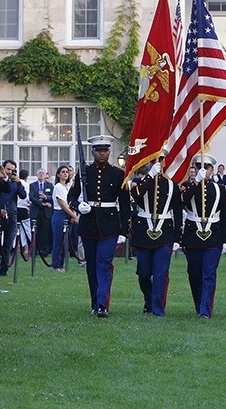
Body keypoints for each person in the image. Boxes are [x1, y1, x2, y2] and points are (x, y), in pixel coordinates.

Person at [68, 135, 130, 318]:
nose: (102, 154)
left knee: (104, 264)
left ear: (109, 152)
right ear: (93, 152)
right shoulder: (84, 172)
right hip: (88, 224)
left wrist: (124, 229)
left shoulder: (119, 174)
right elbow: (71, 196)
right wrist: (78, 206)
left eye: (105, 150)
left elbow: (125, 203)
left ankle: (103, 304)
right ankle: (95, 301)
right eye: (98, 150)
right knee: (92, 266)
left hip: (110, 225)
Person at [130, 153, 182, 316]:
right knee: (144, 273)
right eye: (153, 160)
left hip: (165, 231)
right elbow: (137, 197)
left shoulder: (172, 185)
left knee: (161, 272)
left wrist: (177, 238)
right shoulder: (140, 182)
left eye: (161, 160)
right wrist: (150, 176)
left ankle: (158, 308)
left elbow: (178, 212)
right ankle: (149, 299)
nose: (158, 163)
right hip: (143, 231)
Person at [181, 154, 226, 318]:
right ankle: (199, 303)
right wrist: (195, 182)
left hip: (213, 234)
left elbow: (225, 213)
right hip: (193, 234)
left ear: (212, 170)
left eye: (206, 167)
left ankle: (205, 309)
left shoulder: (220, 188)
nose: (203, 170)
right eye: (199, 167)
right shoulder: (187, 186)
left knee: (208, 273)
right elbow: (183, 201)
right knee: (194, 273)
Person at [0, 159, 26, 275]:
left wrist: (19, 182)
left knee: (8, 244)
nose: (9, 172)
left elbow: (23, 195)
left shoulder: (15, 182)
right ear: (3, 168)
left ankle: (4, 268)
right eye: (8, 169)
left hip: (12, 215)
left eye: (12, 170)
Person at [50, 165, 77, 272]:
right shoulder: (58, 187)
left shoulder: (67, 187)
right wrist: (74, 215)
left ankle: (62, 263)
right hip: (59, 214)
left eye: (67, 172)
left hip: (67, 214)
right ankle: (56, 264)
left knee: (65, 241)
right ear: (58, 174)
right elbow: (62, 204)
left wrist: (73, 213)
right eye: (63, 172)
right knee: (58, 240)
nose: (66, 174)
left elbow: (70, 202)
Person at [29, 167, 54, 255]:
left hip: (46, 213)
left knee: (45, 231)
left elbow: (53, 197)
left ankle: (45, 250)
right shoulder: (32, 185)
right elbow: (31, 197)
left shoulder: (50, 185)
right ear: (37, 175)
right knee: (35, 231)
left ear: (46, 175)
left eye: (43, 173)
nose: (41, 175)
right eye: (39, 173)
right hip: (36, 211)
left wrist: (46, 198)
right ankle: (34, 250)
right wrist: (42, 203)